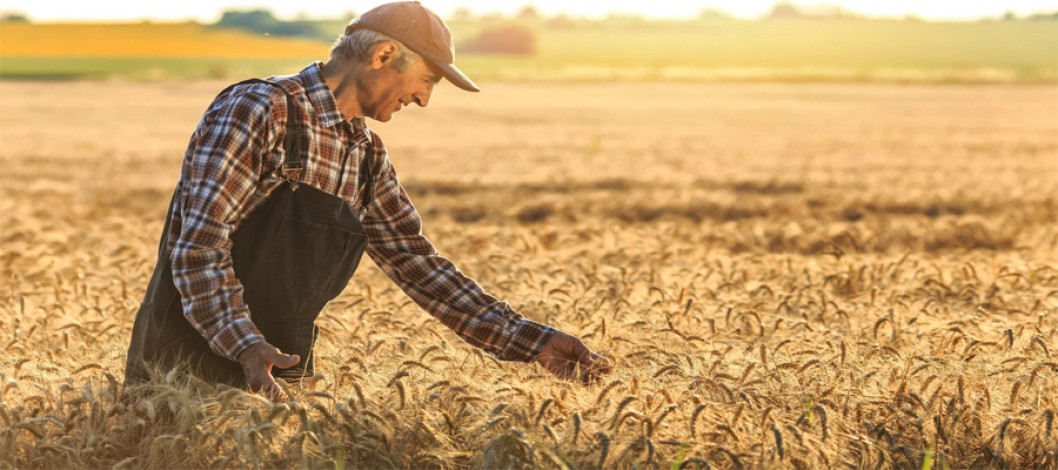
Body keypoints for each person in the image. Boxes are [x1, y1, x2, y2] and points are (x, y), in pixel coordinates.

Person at [124, 1, 609, 399]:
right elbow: (199, 249)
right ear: (382, 55)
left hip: (277, 374)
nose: (424, 100)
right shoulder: (260, 109)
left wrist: (532, 342)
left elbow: (417, 263)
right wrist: (245, 344)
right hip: (182, 373)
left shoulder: (365, 154)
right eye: (428, 80)